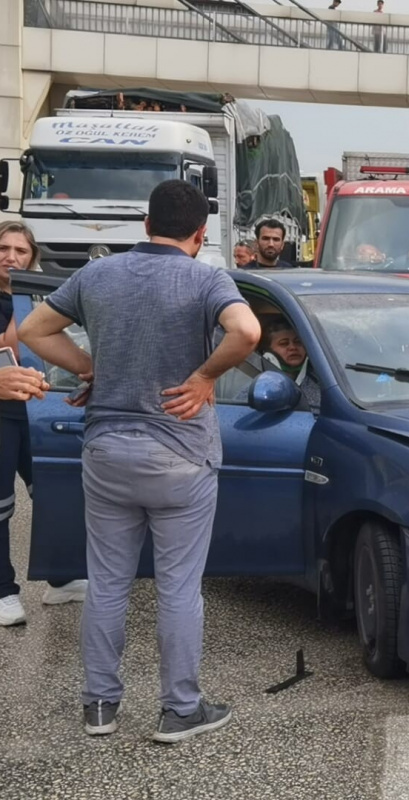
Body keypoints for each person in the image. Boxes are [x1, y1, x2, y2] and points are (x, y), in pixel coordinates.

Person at [19, 180, 261, 742]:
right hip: (180, 453)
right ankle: (180, 710)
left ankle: (99, 705)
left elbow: (33, 329)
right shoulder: (206, 277)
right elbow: (247, 331)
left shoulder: (98, 274)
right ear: (201, 234)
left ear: (145, 224)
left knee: (106, 582)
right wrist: (204, 378)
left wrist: (87, 367)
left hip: (107, 450)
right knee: (178, 587)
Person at [0, 222, 79, 627]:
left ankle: (62, 578)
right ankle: (3, 592)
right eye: (3, 248)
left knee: (52, 494)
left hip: (41, 413)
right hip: (1, 414)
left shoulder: (43, 298)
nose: (10, 257)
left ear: (33, 258)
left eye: (20, 251)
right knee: (0, 508)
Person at [260, 319, 321, 409]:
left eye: (298, 342)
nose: (293, 347)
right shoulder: (256, 384)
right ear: (268, 352)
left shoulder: (323, 382)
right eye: (284, 343)